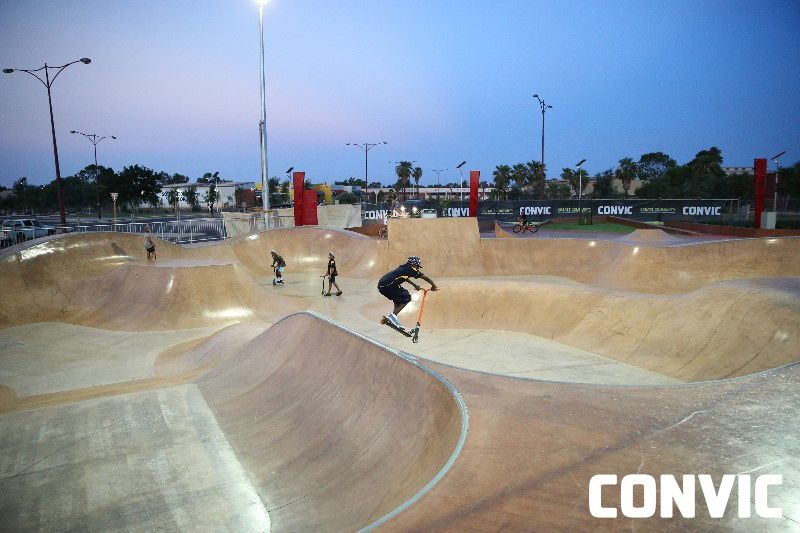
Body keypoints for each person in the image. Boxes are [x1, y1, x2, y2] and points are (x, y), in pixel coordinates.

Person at [378, 256, 438, 330]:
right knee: (407, 297)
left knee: (398, 298)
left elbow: (404, 277)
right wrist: (434, 286)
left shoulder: (403, 267)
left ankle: (393, 318)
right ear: (414, 264)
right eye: (417, 267)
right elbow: (426, 278)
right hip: (389, 285)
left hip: (382, 286)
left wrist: (415, 285)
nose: (417, 269)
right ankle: (392, 317)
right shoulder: (412, 269)